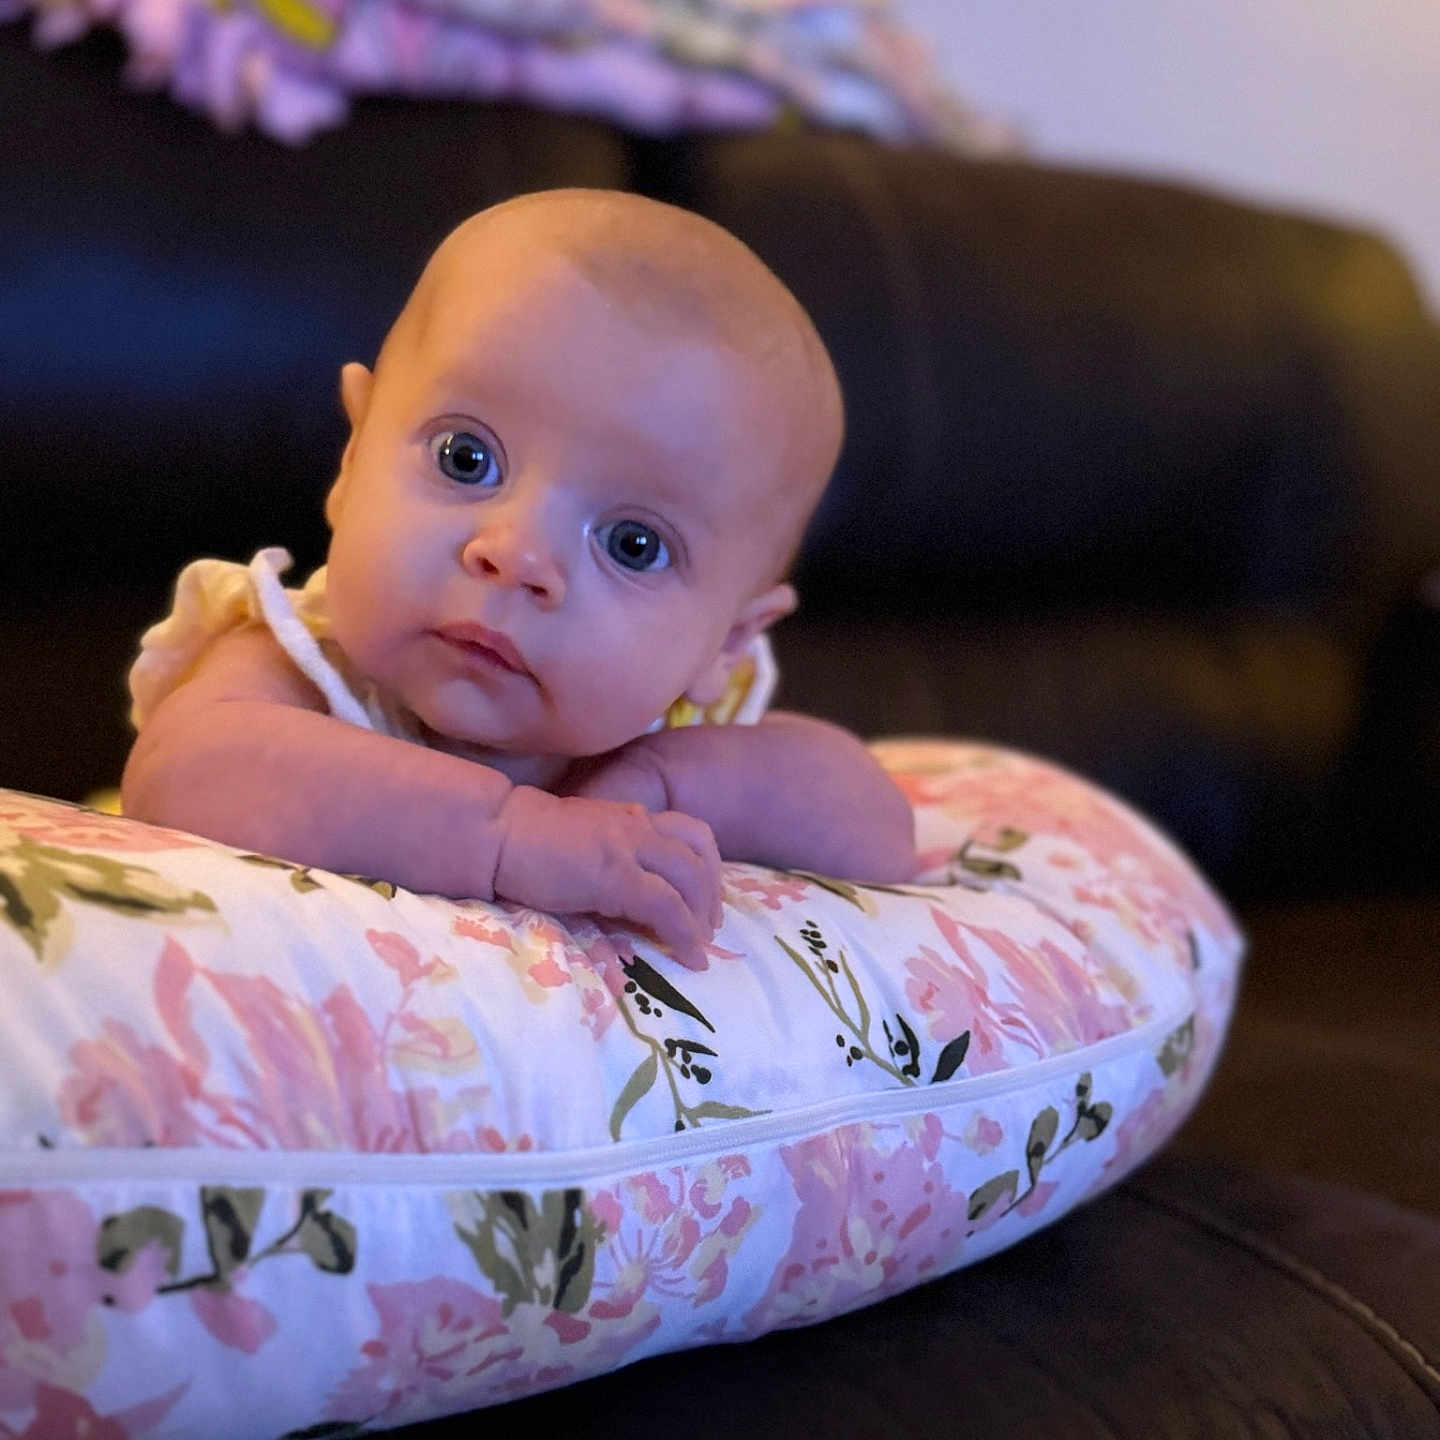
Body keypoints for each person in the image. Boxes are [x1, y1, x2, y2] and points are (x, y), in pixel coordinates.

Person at [123, 188, 916, 968]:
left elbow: (879, 832)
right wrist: (508, 834)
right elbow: (178, 773)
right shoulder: (309, 664)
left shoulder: (654, 731)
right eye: (466, 459)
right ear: (354, 457)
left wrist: (673, 780)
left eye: (633, 544)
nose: (518, 555)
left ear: (728, 644)